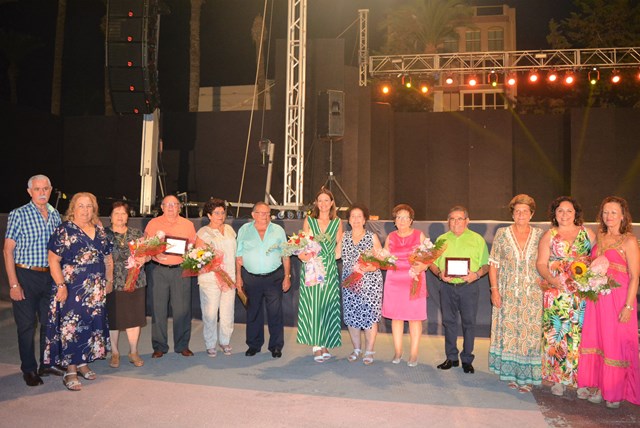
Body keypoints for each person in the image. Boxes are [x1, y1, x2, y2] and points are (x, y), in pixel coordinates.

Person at [45, 192, 114, 391]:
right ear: (73, 209)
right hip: (71, 288)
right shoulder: (64, 230)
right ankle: (71, 370)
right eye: (81, 206)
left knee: (91, 326)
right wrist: (60, 285)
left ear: (94, 209)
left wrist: (109, 280)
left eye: (89, 206)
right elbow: (53, 260)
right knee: (72, 328)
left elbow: (108, 258)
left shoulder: (99, 231)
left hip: (96, 290)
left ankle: (83, 363)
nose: (85, 210)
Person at [577, 196, 640, 408]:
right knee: (598, 342)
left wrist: (629, 306)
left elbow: (635, 276)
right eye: (605, 212)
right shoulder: (600, 237)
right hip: (598, 300)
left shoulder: (629, 240)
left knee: (616, 344)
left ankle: (615, 391)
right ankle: (599, 386)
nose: (609, 216)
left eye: (613, 212)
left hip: (618, 300)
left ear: (623, 216)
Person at [3, 174, 64, 386]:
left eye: (45, 189)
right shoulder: (18, 214)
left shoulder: (56, 215)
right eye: (37, 189)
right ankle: (28, 368)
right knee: (26, 326)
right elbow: (7, 251)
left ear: (50, 189)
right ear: (29, 192)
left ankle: (46, 364)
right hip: (25, 276)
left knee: (49, 323)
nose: (42, 193)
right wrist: (13, 284)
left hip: (50, 276)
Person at [536, 196, 595, 397]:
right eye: (560, 211)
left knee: (580, 337)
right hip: (556, 294)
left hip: (581, 294)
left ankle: (582, 382)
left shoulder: (588, 233)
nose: (564, 215)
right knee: (557, 334)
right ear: (554, 214)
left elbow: (598, 259)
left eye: (569, 211)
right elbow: (541, 264)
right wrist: (552, 281)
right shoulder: (549, 235)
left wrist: (592, 280)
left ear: (576, 213)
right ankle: (558, 379)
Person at [488, 194, 543, 393]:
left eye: (525, 211)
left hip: (533, 294)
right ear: (512, 214)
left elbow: (545, 263)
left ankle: (527, 377)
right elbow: (493, 264)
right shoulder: (502, 234)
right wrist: (494, 290)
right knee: (510, 333)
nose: (521, 214)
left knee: (530, 335)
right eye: (517, 211)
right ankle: (511, 374)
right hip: (508, 292)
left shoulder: (539, 235)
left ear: (532, 214)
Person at [430, 205, 489, 374]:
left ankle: (467, 359)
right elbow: (432, 263)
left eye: (460, 218)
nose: (456, 222)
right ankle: (451, 357)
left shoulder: (477, 240)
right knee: (449, 323)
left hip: (468, 287)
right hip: (447, 287)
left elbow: (486, 265)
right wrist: (440, 273)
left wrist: (476, 275)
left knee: (469, 323)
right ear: (448, 221)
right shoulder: (441, 239)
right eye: (452, 219)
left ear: (467, 221)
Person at [236, 202, 291, 358]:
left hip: (274, 277)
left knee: (275, 313)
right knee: (253, 313)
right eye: (261, 213)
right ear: (253, 215)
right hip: (251, 278)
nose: (265, 216)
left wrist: (287, 276)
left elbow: (285, 255)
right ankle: (254, 345)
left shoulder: (278, 230)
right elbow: (238, 256)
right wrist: (238, 277)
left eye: (267, 213)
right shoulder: (244, 230)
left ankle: (276, 346)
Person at [145, 195, 197, 358]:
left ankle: (182, 345)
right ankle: (159, 346)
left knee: (182, 310)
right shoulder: (153, 224)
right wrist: (153, 254)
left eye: (174, 204)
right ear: (161, 207)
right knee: (158, 309)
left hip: (180, 271)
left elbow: (193, 248)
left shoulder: (188, 225)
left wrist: (190, 255)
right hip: (158, 270)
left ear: (179, 207)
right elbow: (145, 246)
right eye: (167, 205)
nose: (170, 207)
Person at [297, 187, 343, 362]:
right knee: (314, 304)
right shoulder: (310, 220)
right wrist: (305, 256)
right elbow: (302, 243)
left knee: (327, 305)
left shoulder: (337, 222)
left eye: (327, 200)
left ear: (332, 203)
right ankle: (316, 344)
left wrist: (332, 258)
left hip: (329, 268)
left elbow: (339, 245)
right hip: (312, 268)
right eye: (320, 200)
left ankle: (325, 342)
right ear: (316, 203)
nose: (323, 204)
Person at [382, 204, 428, 367]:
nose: (401, 220)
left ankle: (414, 353)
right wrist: (378, 258)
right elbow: (384, 258)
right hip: (394, 280)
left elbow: (427, 259)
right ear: (394, 221)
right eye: (398, 217)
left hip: (414, 279)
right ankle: (398, 351)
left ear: (411, 221)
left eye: (405, 217)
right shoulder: (391, 237)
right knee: (396, 317)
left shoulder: (419, 235)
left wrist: (423, 266)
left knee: (415, 318)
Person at [105, 201, 147, 368]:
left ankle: (133, 351)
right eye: (116, 213)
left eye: (123, 213)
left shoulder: (137, 234)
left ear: (128, 216)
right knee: (113, 319)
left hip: (135, 282)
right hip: (112, 283)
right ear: (110, 216)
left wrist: (144, 258)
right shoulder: (103, 235)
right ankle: (114, 353)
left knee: (133, 318)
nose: (120, 216)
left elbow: (147, 255)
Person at [341, 204, 383, 365]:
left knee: (369, 316)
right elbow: (335, 254)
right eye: (353, 216)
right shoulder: (344, 236)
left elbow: (380, 260)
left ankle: (369, 351)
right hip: (350, 282)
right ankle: (356, 349)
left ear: (365, 219)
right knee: (352, 316)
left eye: (359, 216)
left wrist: (371, 266)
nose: (356, 219)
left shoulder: (371, 236)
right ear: (349, 220)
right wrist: (310, 249)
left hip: (369, 282)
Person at [195, 198, 237, 357]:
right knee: (210, 313)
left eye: (222, 212)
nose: (220, 216)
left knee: (228, 312)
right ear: (209, 215)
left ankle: (225, 341)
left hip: (229, 277)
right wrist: (218, 271)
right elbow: (200, 258)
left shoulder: (230, 230)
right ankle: (210, 343)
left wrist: (231, 275)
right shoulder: (203, 233)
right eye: (216, 213)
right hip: (211, 278)